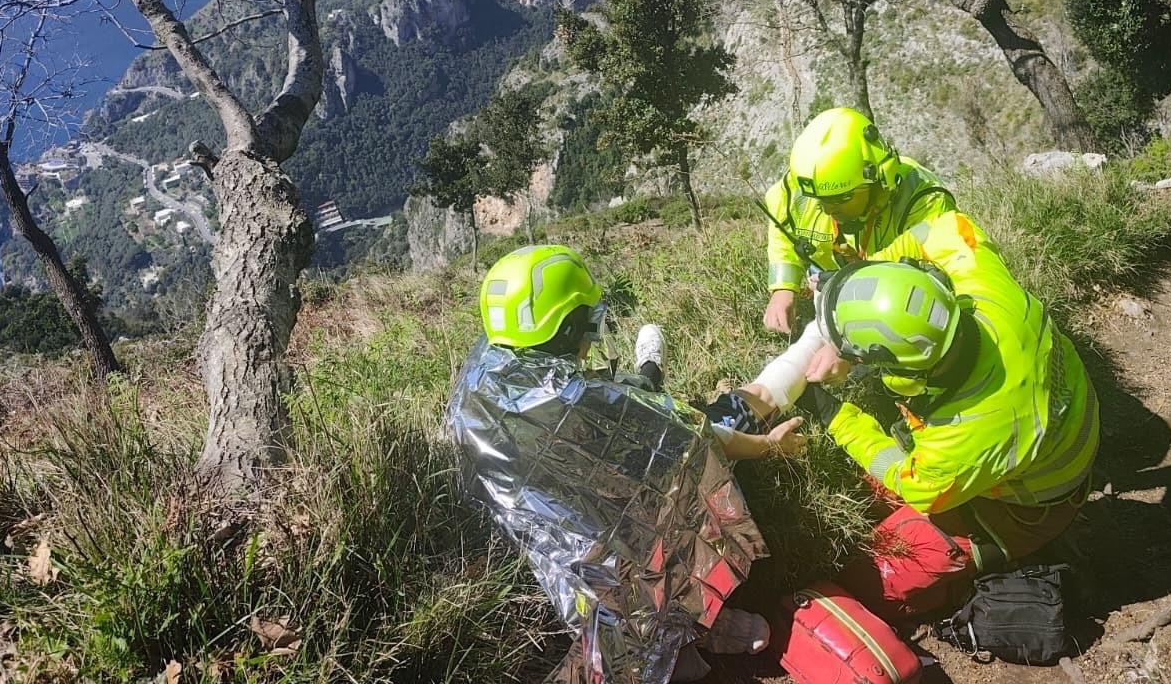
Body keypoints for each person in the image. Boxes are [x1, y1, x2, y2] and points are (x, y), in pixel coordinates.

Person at [445, 244, 820, 684]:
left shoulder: (482, 373)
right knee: (719, 422)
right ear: (568, 331)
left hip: (546, 546)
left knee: (646, 403)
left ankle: (649, 372)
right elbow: (696, 441)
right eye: (593, 324)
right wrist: (769, 446)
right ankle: (691, 623)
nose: (594, 336)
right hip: (611, 556)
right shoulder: (580, 405)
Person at [796, 222, 1099, 618]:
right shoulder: (989, 291)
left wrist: (828, 410)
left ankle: (973, 582)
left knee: (869, 581)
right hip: (1060, 437)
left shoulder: (967, 431)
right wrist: (877, 274)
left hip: (1028, 509)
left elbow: (908, 479)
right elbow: (944, 227)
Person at [759, 107, 963, 334]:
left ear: (878, 179)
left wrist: (853, 286)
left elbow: (936, 270)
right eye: (819, 199)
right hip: (829, 274)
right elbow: (782, 229)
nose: (827, 209)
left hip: (894, 286)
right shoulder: (798, 190)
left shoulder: (923, 200)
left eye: (841, 198)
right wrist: (782, 290)